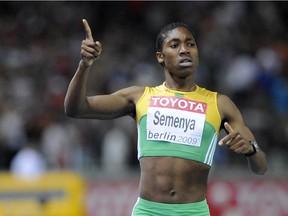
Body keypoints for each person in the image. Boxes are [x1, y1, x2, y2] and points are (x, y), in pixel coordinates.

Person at [64, 19, 267, 216]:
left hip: (194, 212)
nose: (184, 49)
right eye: (175, 45)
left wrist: (251, 150)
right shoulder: (140, 97)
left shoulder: (219, 103)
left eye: (191, 44)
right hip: (148, 211)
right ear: (160, 57)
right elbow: (76, 108)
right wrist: (84, 65)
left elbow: (261, 167)